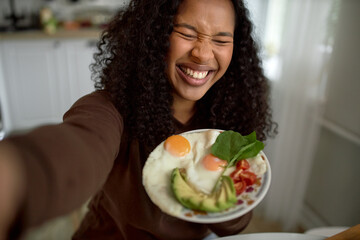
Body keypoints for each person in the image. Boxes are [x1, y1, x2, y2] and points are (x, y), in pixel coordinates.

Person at [0, 0, 277, 239]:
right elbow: (80, 147)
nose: (203, 54)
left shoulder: (229, 118)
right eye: (186, 32)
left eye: (220, 40)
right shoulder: (109, 109)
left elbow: (236, 225)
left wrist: (221, 194)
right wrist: (19, 176)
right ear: (154, 34)